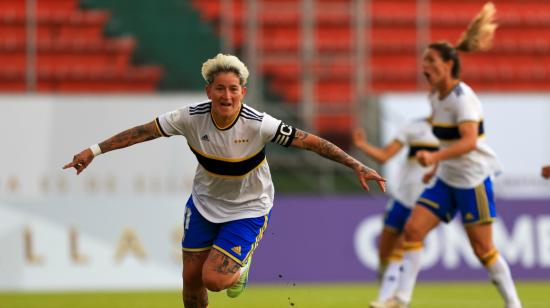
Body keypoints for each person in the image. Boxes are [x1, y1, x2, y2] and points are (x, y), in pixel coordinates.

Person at [63, 53, 386, 308]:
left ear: (243, 93)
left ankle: (240, 268)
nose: (227, 95)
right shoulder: (189, 118)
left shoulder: (259, 124)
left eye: (234, 89)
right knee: (191, 280)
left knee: (214, 280)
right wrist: (94, 150)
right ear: (209, 91)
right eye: (220, 88)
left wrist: (355, 163)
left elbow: (310, 141)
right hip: (205, 204)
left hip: (249, 208)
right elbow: (142, 133)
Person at [385, 3, 522, 308]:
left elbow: (470, 142)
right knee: (413, 229)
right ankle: (401, 299)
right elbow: (448, 141)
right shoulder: (435, 96)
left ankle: (514, 304)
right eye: (423, 61)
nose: (425, 66)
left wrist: (434, 159)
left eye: (431, 61)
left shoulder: (464, 100)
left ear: (448, 64)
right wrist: (438, 167)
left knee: (483, 249)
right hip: (447, 179)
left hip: (472, 180)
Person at [351, 121, 438, 307]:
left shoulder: (454, 133)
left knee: (401, 246)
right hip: (402, 198)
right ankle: (386, 284)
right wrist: (362, 146)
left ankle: (387, 299)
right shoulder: (415, 128)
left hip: (423, 202)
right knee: (385, 251)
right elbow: (384, 156)